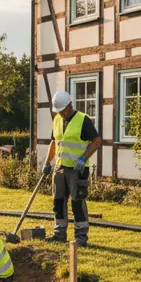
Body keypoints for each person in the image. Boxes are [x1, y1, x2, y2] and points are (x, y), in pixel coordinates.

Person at [42, 91, 101, 247]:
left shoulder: (83, 120)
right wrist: (48, 162)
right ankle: (59, 234)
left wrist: (84, 158)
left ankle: (81, 238)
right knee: (58, 201)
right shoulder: (57, 120)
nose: (61, 112)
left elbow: (96, 141)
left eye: (63, 109)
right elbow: (54, 142)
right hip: (60, 166)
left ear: (70, 105)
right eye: (59, 110)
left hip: (77, 169)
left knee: (77, 202)